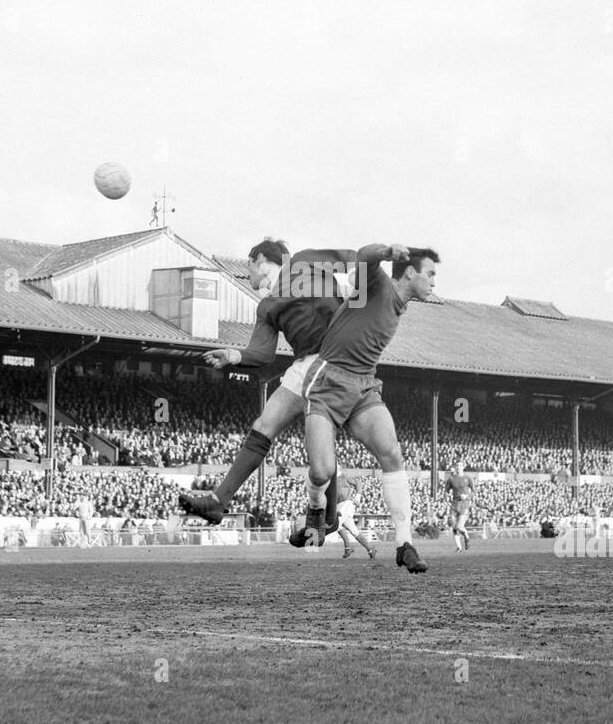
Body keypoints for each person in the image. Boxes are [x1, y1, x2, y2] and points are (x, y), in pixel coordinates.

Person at [178, 239, 357, 535]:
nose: (247, 273)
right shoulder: (267, 306)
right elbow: (263, 353)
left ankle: (326, 515)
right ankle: (217, 502)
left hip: (334, 359)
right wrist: (234, 355)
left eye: (249, 265)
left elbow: (353, 257)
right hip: (304, 365)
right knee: (264, 424)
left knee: (319, 449)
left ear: (260, 259)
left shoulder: (306, 267)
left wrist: (357, 291)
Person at [300, 243, 439, 574]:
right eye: (431, 274)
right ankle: (316, 509)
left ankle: (405, 544)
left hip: (364, 386)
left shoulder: (400, 305)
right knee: (321, 472)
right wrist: (387, 249)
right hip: (328, 381)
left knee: (392, 453)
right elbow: (364, 256)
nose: (435, 282)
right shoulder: (376, 284)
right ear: (410, 272)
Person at [334, 481, 377, 559]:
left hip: (345, 504)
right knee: (354, 531)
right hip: (339, 506)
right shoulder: (328, 479)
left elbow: (359, 483)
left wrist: (358, 496)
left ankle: (348, 547)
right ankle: (370, 549)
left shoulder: (342, 476)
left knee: (336, 524)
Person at [445, 461, 476, 552]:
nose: (459, 467)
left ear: (463, 467)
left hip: (464, 504)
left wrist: (467, 496)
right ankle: (459, 547)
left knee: (459, 526)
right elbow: (446, 491)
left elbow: (474, 492)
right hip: (454, 504)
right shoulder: (451, 479)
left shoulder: (468, 478)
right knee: (454, 526)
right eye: (457, 465)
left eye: (460, 465)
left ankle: (466, 536)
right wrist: (447, 496)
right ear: (455, 467)